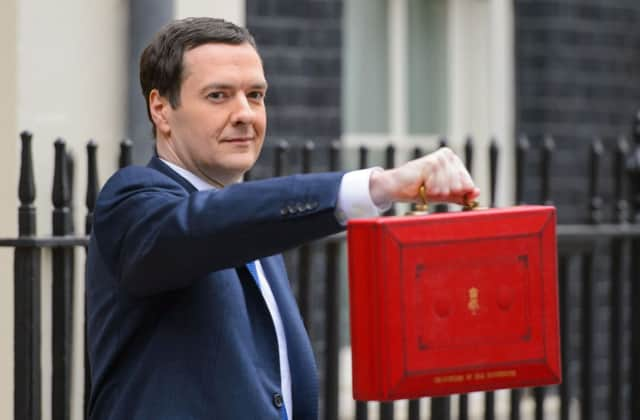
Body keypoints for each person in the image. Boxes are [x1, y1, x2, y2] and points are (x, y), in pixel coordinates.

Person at [85, 17, 480, 420]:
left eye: (255, 95)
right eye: (218, 95)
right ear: (161, 110)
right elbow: (205, 224)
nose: (245, 114)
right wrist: (378, 186)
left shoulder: (254, 231)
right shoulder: (132, 200)